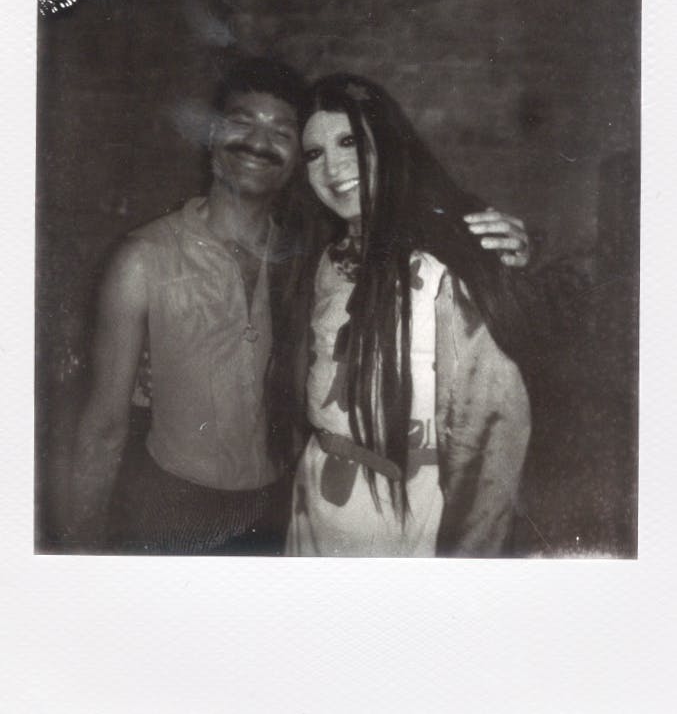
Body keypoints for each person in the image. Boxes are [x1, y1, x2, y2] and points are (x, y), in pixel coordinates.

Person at [68, 56, 530, 555]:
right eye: (242, 121)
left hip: (289, 506)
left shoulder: (308, 256)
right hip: (185, 506)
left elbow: (489, 428)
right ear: (211, 134)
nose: (258, 142)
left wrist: (504, 250)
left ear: (292, 163)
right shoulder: (152, 259)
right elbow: (105, 424)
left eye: (282, 133)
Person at [278, 74, 531, 557]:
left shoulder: (448, 261)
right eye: (313, 153)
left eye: (350, 141)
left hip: (409, 512)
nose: (333, 167)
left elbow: (490, 436)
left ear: (387, 143)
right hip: (316, 503)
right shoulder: (323, 256)